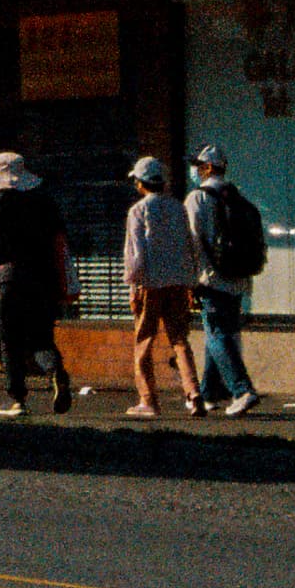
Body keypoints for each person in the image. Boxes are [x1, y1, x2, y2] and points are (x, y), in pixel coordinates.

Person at [0, 149, 75, 417]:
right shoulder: (44, 201)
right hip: (42, 278)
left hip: (10, 277)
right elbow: (58, 238)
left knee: (9, 337)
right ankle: (56, 372)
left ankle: (16, 397)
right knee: (41, 335)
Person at [122, 153, 207, 419]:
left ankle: (148, 400)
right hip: (178, 283)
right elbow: (189, 246)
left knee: (143, 343)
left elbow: (134, 254)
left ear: (140, 183)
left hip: (150, 284)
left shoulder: (138, 211)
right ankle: (193, 393)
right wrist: (191, 281)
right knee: (180, 340)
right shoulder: (178, 208)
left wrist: (133, 287)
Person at [186, 143, 264, 417]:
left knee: (217, 334)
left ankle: (242, 390)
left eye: (197, 166)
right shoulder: (236, 197)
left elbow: (192, 239)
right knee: (217, 335)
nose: (194, 170)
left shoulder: (197, 198)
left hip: (211, 278)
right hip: (237, 278)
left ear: (207, 168)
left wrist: (191, 279)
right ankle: (208, 395)